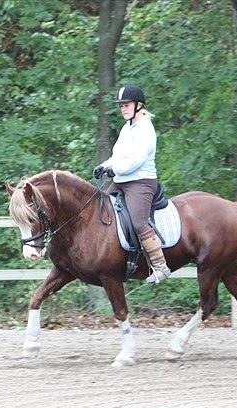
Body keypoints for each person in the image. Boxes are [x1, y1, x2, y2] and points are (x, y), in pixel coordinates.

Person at [93, 84, 172, 284]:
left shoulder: (145, 128)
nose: (123, 109)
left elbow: (136, 159)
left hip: (141, 183)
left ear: (138, 105)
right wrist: (104, 166)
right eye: (121, 106)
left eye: (127, 105)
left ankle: (161, 266)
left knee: (138, 222)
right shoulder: (126, 128)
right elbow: (117, 155)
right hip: (121, 181)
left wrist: (114, 169)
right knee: (101, 211)